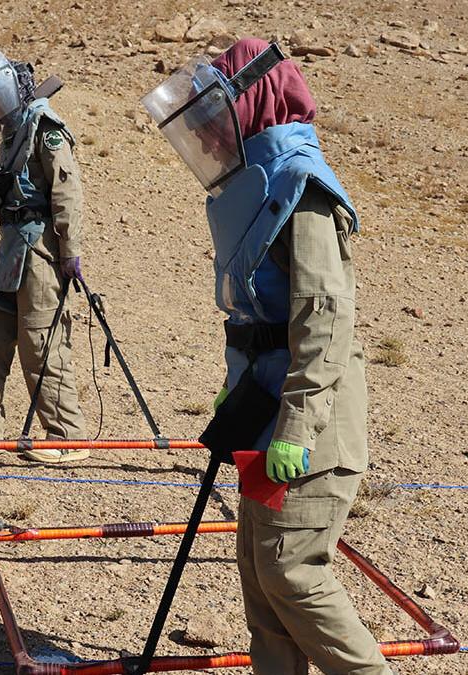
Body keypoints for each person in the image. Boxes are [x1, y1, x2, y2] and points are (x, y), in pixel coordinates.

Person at [142, 38, 391, 674]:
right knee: (260, 576)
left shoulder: (301, 189)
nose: (209, 137)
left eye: (217, 119)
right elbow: (254, 320)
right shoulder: (257, 186)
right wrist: (235, 389)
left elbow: (324, 323)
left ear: (251, 103)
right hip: (265, 409)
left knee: (293, 573)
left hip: (311, 422)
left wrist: (299, 429)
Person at [0, 51, 88, 463]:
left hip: (42, 254)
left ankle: (68, 438)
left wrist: (70, 251)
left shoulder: (46, 129)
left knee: (41, 347)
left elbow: (67, 193)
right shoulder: (15, 134)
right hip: (12, 254)